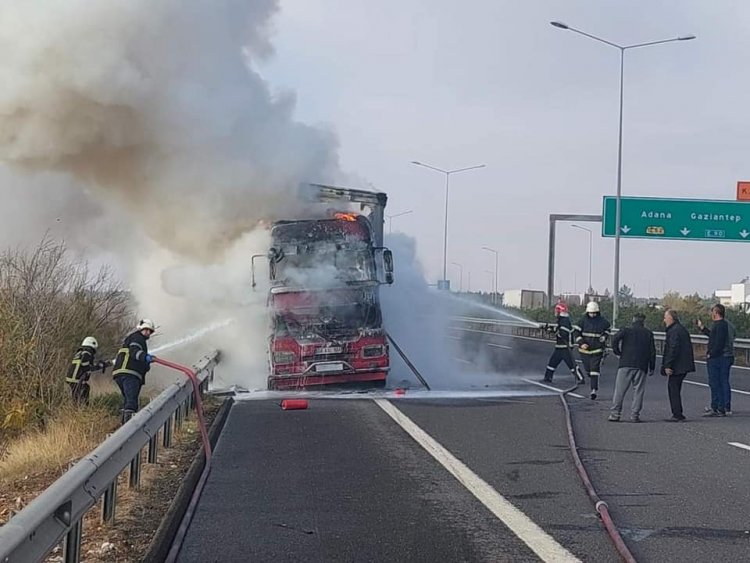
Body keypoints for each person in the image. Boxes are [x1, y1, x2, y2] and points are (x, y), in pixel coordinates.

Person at [608, 313, 656, 423]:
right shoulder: (648, 333)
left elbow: (615, 339)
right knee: (638, 391)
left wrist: (617, 352)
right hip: (641, 365)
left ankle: (615, 414)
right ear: (643, 321)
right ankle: (635, 415)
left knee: (620, 390)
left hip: (625, 363)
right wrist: (651, 367)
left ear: (633, 320)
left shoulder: (626, 330)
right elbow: (652, 352)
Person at [113, 319, 156, 424]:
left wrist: (146, 365)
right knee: (131, 403)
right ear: (140, 329)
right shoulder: (138, 338)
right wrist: (145, 357)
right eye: (146, 330)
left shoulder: (132, 338)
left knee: (127, 401)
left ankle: (123, 426)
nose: (148, 333)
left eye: (150, 331)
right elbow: (134, 352)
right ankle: (128, 428)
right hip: (129, 374)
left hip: (121, 373)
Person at [697, 304, 735, 417]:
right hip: (721, 357)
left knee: (717, 382)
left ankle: (718, 407)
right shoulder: (720, 325)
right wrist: (702, 328)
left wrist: (711, 354)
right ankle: (720, 406)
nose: (711, 314)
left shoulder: (721, 325)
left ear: (716, 313)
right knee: (719, 382)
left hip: (718, 358)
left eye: (712, 311)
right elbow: (713, 336)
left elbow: (719, 342)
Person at [662, 309, 695, 422]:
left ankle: (677, 414)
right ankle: (678, 413)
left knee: (673, 388)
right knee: (675, 387)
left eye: (665, 317)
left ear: (671, 318)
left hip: (678, 365)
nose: (664, 320)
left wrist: (668, 365)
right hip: (683, 364)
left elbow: (673, 348)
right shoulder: (680, 329)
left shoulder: (674, 331)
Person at [574, 301, 611, 400]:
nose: (593, 315)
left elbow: (608, 328)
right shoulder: (582, 321)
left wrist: (604, 336)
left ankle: (593, 390)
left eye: (595, 313)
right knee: (588, 370)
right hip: (584, 351)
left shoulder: (602, 321)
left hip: (597, 350)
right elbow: (576, 333)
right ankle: (590, 379)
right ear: (587, 312)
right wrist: (581, 343)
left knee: (595, 370)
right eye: (591, 313)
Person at [542, 302, 584, 384]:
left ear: (559, 311)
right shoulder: (562, 320)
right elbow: (560, 330)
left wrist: (554, 331)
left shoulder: (564, 321)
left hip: (565, 347)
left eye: (556, 310)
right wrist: (550, 330)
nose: (555, 312)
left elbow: (563, 333)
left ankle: (581, 378)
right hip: (560, 346)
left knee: (571, 364)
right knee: (552, 362)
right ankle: (548, 378)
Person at [65, 336, 107, 405]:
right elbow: (85, 363)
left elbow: (87, 365)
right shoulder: (87, 352)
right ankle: (82, 408)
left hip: (71, 378)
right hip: (76, 379)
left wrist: (95, 366)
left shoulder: (80, 352)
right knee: (83, 391)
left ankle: (77, 408)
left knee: (78, 393)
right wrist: (90, 368)